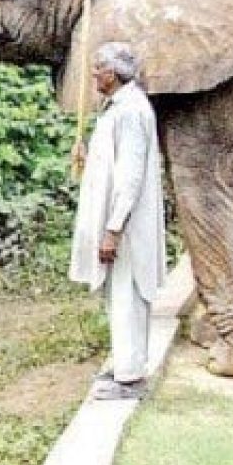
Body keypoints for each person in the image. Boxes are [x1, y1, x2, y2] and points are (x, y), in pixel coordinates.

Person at [70, 42, 166, 400]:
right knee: (119, 293)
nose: (93, 74)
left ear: (112, 74)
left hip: (125, 227)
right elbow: (111, 162)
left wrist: (113, 229)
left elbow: (129, 176)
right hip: (121, 223)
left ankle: (129, 378)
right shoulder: (119, 109)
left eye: (97, 68)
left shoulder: (130, 111)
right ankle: (127, 363)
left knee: (128, 294)